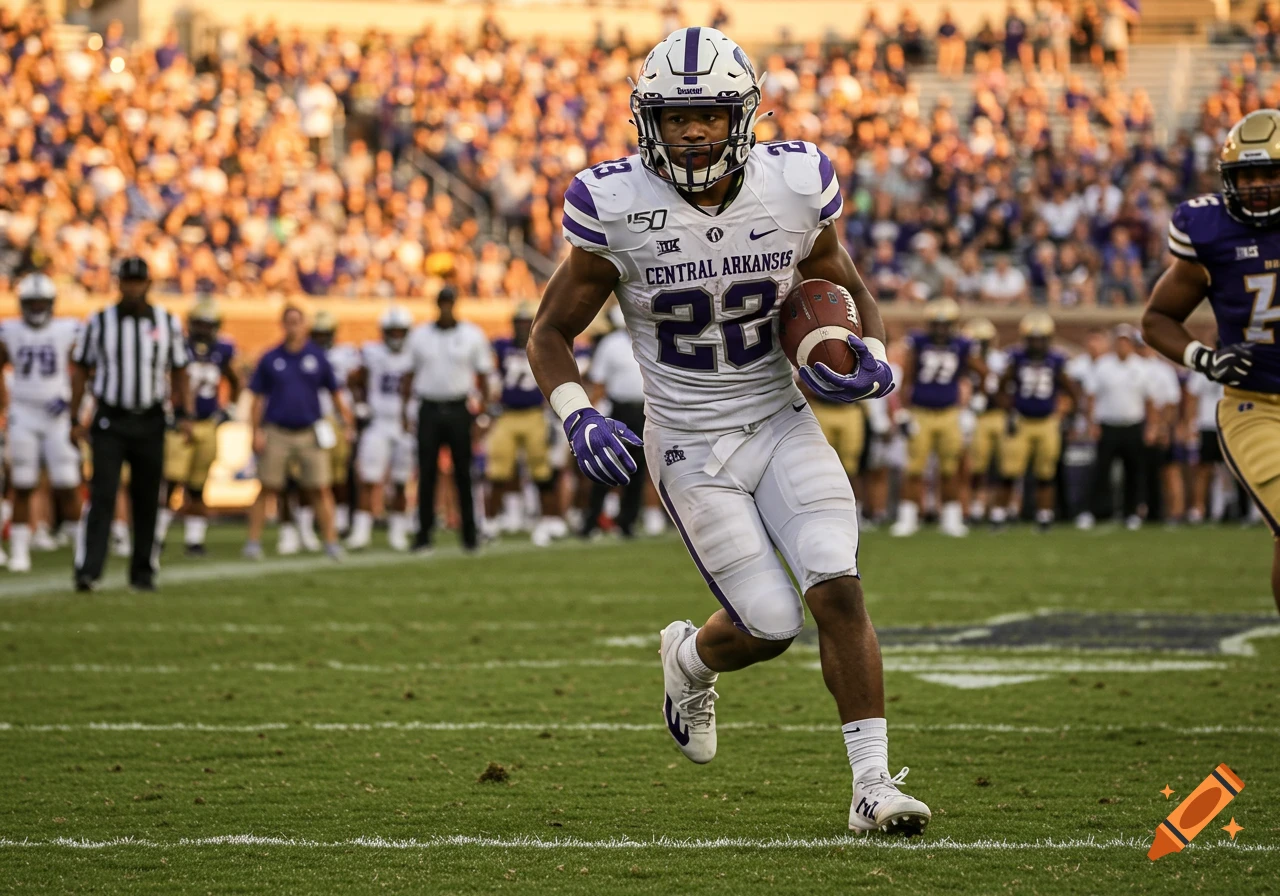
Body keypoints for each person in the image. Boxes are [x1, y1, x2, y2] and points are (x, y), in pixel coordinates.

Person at [527, 27, 929, 835]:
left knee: (837, 585)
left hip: (781, 419)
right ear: (650, 122)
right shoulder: (613, 205)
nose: (694, 131)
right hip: (687, 443)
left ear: (741, 113)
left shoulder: (794, 185)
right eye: (677, 117)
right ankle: (686, 660)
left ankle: (873, 786)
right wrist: (578, 416)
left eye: (709, 112)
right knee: (772, 624)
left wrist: (874, 353)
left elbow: (843, 283)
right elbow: (547, 333)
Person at [1143, 109, 1280, 612]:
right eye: (1248, 175)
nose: (1260, 186)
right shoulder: (1211, 229)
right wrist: (1204, 358)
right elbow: (1157, 318)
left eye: (1271, 174)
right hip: (1257, 407)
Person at [69, 257, 191, 592]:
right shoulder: (100, 322)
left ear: (148, 284)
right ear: (119, 283)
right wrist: (75, 415)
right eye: (128, 281)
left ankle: (142, 571)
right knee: (103, 494)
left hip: (151, 418)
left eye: (139, 281)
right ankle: (89, 570)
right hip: (111, 419)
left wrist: (186, 415)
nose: (133, 287)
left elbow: (180, 370)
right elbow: (81, 368)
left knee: (148, 497)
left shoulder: (167, 321)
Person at [243, 306, 351, 560]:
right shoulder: (270, 358)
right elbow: (257, 398)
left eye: (297, 322)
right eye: (289, 322)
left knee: (320, 488)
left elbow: (334, 392)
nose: (293, 327)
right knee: (267, 487)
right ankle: (253, 542)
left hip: (309, 430)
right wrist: (255, 431)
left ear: (304, 325)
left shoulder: (316, 357)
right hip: (277, 429)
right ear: (282, 325)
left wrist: (346, 421)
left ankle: (331, 541)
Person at [0, 274, 84, 572]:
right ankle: (20, 553)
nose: (36, 307)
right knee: (22, 482)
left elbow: (84, 367)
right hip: (23, 412)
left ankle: (81, 552)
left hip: (56, 414)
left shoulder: (68, 329)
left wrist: (72, 401)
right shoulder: (9, 330)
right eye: (31, 302)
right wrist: (7, 403)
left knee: (67, 482)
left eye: (41, 302)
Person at [402, 286, 493, 553]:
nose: (445, 307)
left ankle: (470, 535)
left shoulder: (471, 334)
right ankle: (424, 534)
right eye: (441, 302)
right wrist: (404, 411)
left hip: (458, 409)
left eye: (448, 302)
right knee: (426, 473)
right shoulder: (420, 335)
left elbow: (484, 376)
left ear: (454, 304)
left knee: (464, 474)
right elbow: (408, 376)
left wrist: (483, 414)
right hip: (428, 407)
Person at [891, 298, 987, 537]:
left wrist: (976, 401)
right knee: (914, 468)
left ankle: (951, 519)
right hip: (921, 412)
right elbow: (908, 378)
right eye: (937, 324)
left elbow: (983, 372)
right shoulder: (919, 342)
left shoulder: (963, 345)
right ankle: (908, 518)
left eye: (945, 324)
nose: (941, 329)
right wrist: (903, 412)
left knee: (950, 468)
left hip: (949, 413)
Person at [156, 298, 240, 558]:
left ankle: (194, 540)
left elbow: (234, 378)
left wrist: (230, 408)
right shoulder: (178, 346)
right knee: (170, 483)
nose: (203, 329)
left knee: (198, 486)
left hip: (206, 423)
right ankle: (156, 536)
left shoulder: (222, 350)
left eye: (208, 324)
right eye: (200, 324)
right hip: (180, 424)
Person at [485, 301, 567, 547]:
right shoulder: (500, 346)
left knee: (542, 473)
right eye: (518, 323)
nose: (521, 327)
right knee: (497, 472)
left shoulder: (542, 346)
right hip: (507, 416)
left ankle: (547, 521)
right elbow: (488, 370)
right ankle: (489, 523)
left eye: (525, 323)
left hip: (534, 415)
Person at [993, 312, 1082, 530]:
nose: (1036, 344)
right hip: (1022, 420)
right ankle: (999, 515)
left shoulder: (1055, 361)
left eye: (1040, 339)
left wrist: (1069, 416)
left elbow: (1072, 391)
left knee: (1046, 474)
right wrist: (1009, 410)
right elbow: (1001, 387)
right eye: (1032, 339)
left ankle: (1044, 516)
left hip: (1047, 421)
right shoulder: (1017, 359)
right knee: (1009, 472)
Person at [346, 306, 416, 551]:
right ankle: (361, 532)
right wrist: (361, 404)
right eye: (392, 332)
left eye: (400, 332)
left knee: (400, 481)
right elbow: (353, 380)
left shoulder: (415, 354)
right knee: (369, 478)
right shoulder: (372, 352)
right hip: (379, 422)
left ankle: (398, 532)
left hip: (405, 423)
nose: (396, 336)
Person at [582, 306, 649, 538]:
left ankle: (627, 522)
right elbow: (599, 382)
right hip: (618, 411)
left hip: (646, 411)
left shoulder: (652, 338)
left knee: (638, 468)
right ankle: (591, 521)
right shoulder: (610, 344)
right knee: (606, 464)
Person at [1084, 324, 1154, 529]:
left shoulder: (1141, 367)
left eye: (1126, 342)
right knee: (1101, 471)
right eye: (1119, 342)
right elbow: (1091, 397)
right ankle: (1096, 512)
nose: (1122, 346)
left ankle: (1131, 513)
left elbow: (1149, 401)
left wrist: (1151, 426)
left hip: (1133, 425)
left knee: (1133, 471)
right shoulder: (1103, 365)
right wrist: (1092, 423)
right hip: (1108, 425)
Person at [961, 317, 1008, 524]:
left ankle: (1000, 509)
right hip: (974, 415)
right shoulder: (965, 359)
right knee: (976, 466)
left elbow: (1003, 389)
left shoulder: (1000, 359)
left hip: (996, 414)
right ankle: (976, 507)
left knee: (1001, 465)